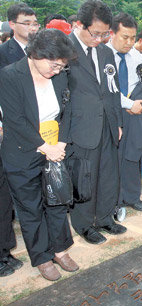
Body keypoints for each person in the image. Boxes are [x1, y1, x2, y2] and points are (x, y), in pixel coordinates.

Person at [0, 29, 79, 281]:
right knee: (30, 208)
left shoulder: (60, 77)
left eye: (61, 66)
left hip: (55, 149)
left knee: (57, 203)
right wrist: (45, 147)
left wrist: (62, 143)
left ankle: (59, 249)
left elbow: (68, 111)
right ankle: (42, 257)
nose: (57, 71)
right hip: (23, 153)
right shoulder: (10, 76)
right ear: (36, 53)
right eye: (54, 65)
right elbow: (16, 120)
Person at [66, 0, 126, 244]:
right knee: (85, 177)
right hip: (80, 127)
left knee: (108, 174)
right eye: (96, 33)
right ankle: (83, 224)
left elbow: (113, 89)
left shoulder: (105, 51)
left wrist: (118, 122)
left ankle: (104, 218)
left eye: (105, 34)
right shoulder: (65, 49)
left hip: (108, 124)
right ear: (80, 25)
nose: (100, 39)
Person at [0, 2, 39, 277]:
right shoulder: (4, 53)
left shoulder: (40, 53)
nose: (32, 27)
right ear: (12, 24)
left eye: (35, 22)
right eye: (26, 22)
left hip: (35, 132)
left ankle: (9, 247)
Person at [107, 13, 142, 211]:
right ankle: (114, 200)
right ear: (112, 33)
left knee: (133, 155)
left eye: (132, 38)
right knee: (112, 159)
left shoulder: (137, 56)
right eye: (124, 37)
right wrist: (128, 104)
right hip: (112, 112)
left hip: (136, 113)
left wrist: (138, 105)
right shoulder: (103, 54)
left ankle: (132, 196)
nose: (129, 42)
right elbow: (105, 89)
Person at [0, 3, 39, 69]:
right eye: (27, 24)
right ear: (12, 24)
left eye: (35, 24)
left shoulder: (45, 47)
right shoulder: (2, 52)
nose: (33, 28)